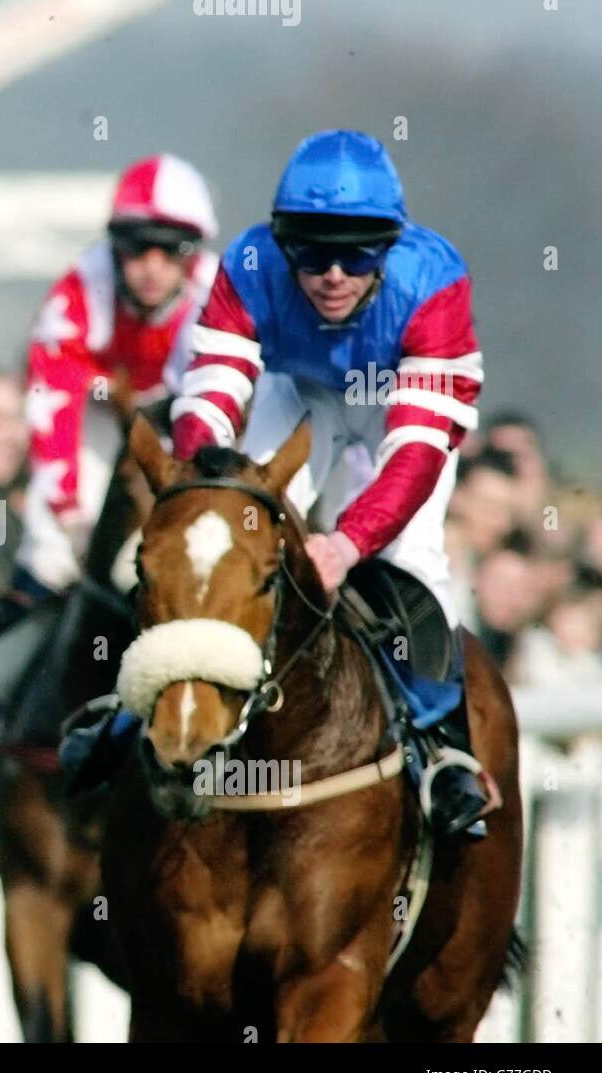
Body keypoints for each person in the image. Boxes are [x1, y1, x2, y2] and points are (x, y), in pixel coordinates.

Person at [164, 129, 490, 837]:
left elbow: (412, 455)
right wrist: (206, 492)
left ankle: (447, 749)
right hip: (301, 388)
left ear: (391, 247)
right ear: (283, 244)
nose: (333, 273)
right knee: (233, 538)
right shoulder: (248, 264)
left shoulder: (434, 282)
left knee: (410, 556)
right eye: (312, 252)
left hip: (400, 409)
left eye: (359, 251)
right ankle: (155, 712)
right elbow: (207, 398)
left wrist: (345, 546)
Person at [14, 153, 218, 598]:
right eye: (136, 245)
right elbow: (54, 406)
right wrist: (66, 509)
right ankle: (16, 628)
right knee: (52, 549)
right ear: (114, 245)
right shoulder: (79, 289)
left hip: (176, 419)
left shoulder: (218, 293)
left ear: (194, 251)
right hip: (100, 417)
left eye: (171, 248)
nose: (152, 265)